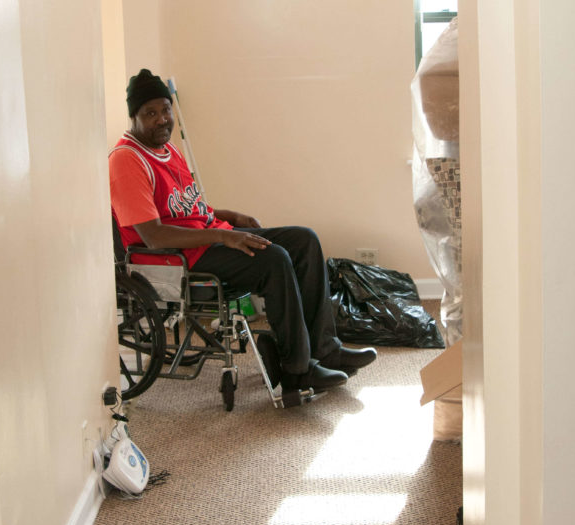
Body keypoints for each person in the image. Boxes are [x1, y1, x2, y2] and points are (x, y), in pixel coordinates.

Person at [109, 69, 376, 395]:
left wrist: (228, 217)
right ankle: (297, 371)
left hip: (205, 240)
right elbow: (155, 236)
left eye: (166, 109)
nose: (162, 119)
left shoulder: (167, 150)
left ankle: (326, 349)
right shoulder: (127, 160)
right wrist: (224, 235)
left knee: (305, 240)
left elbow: (188, 211)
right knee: (273, 259)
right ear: (133, 117)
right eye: (150, 113)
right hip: (174, 260)